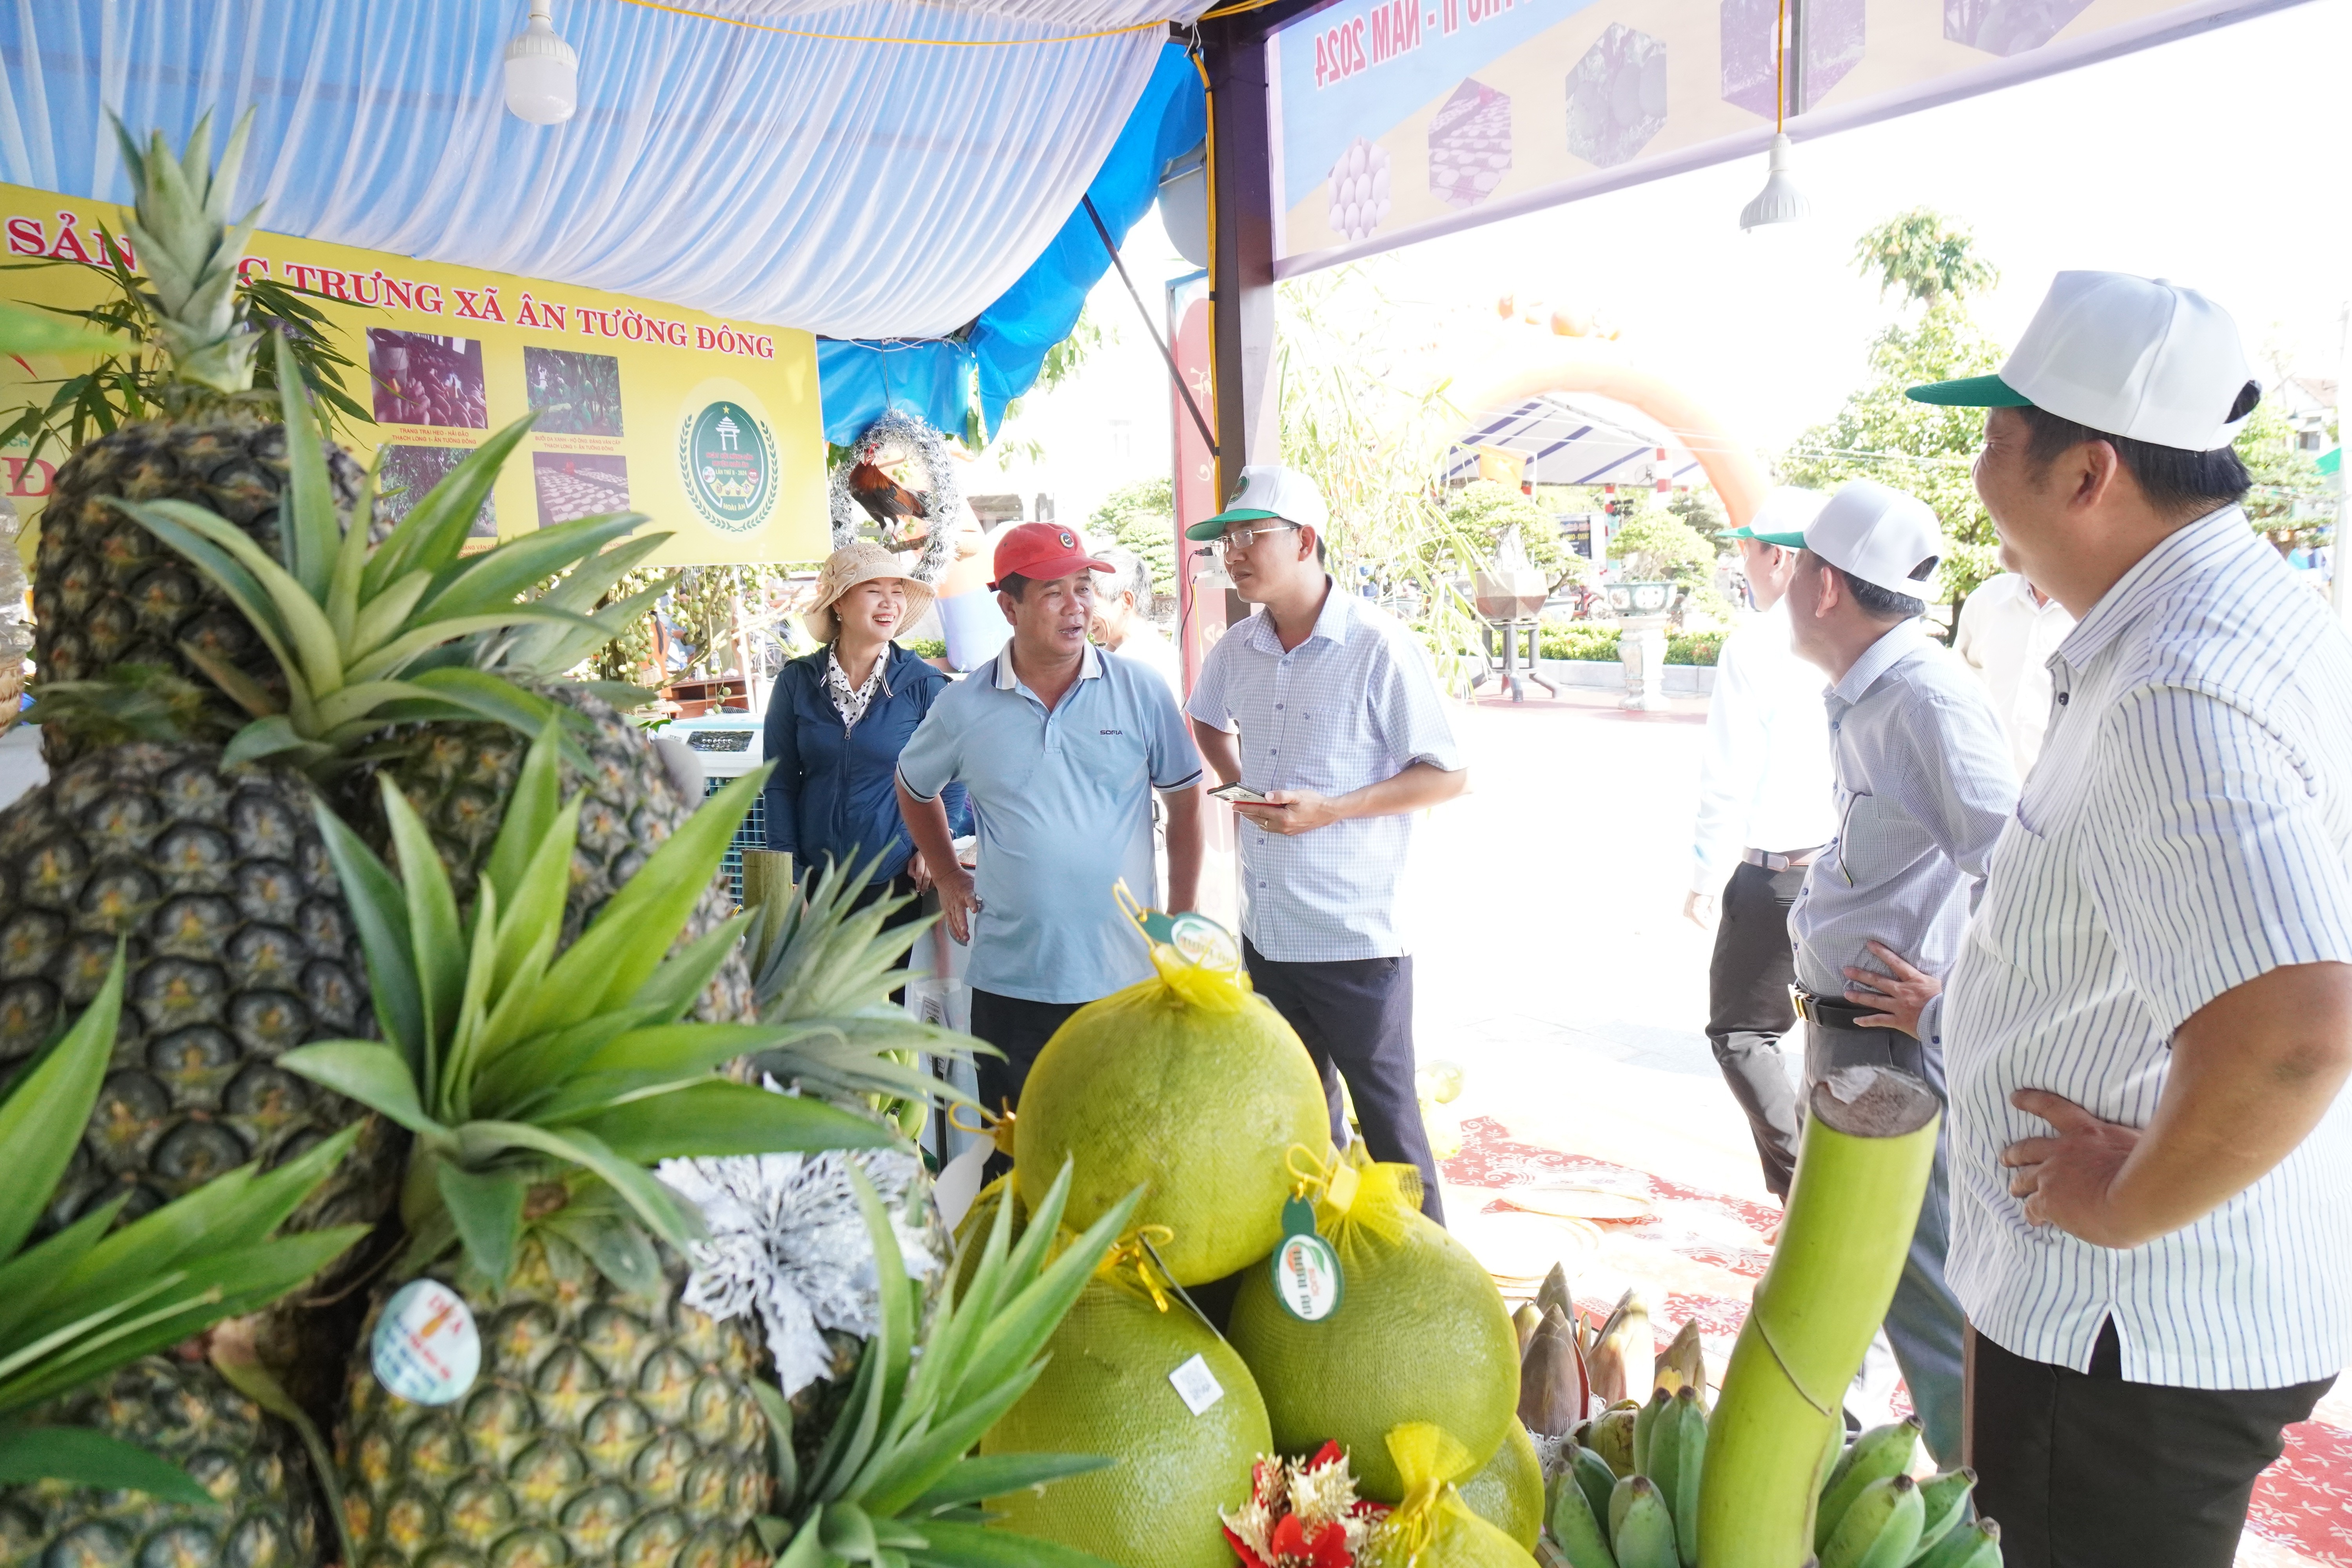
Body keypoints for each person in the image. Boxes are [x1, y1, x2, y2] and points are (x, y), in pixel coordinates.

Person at [1901, 271, 2352, 1568]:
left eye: (1998, 438)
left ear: (2087, 472)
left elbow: (2294, 1031)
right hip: (2162, 1316)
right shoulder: (2243, 616)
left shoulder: (2177, 685)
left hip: (2123, 1336)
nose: (1980, 468)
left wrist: (2123, 1204)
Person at [1763, 478, 2020, 1468]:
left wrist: (1951, 1004)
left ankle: (1979, 1509)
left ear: (1826, 585)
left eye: (1793, 568)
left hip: (1895, 1046)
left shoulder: (1923, 696)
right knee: (1850, 1281)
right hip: (1852, 1032)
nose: (1784, 584)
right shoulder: (1871, 692)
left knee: (1926, 1298)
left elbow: (2025, 871)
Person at [1184, 465, 1468, 1221]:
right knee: (1301, 1125)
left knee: (1392, 1131)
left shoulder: (1379, 646)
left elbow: (1447, 775)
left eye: (1253, 537)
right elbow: (1205, 718)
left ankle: (1432, 1283)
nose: (1236, 554)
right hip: (1269, 934)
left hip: (1356, 938)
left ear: (1306, 540)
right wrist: (1239, 784)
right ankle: (1327, 1279)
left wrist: (1333, 811)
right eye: (1228, 541)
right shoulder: (1237, 648)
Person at [895, 521, 1205, 1123]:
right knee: (1016, 1166)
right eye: (1054, 592)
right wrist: (949, 875)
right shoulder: (963, 705)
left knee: (1123, 1158)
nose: (1078, 607)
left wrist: (1180, 919)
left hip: (1125, 981)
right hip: (1013, 984)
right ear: (1009, 607)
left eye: (1084, 587)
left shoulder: (1141, 690)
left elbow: (1187, 804)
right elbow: (913, 788)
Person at [1686, 486, 1835, 1203]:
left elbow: (1728, 775)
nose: (1743, 564)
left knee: (1742, 1032)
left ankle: (1801, 1189)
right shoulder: (1854, 634)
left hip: (1776, 873)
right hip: (1846, 869)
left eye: (1746, 550)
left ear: (1778, 556)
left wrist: (1703, 872)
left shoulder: (1756, 645)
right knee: (1824, 1036)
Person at [761, 541, 968, 944]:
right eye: (875, 590)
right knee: (813, 1002)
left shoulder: (924, 684)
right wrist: (789, 873)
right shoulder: (796, 682)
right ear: (839, 603)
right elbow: (779, 783)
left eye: (897, 592)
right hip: (813, 886)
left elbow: (956, 776)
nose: (890, 603)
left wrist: (933, 852)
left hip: (893, 883)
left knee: (887, 1006)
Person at [1953, 570, 2076, 776]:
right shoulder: (1986, 600)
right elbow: (1960, 696)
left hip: (2064, 790)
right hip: (1986, 780)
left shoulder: (2100, 607)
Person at [1089, 546, 1182, 699]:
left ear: (1127, 601)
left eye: (1093, 605)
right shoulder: (1117, 656)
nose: (1083, 614)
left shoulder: (1138, 663)